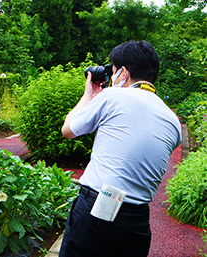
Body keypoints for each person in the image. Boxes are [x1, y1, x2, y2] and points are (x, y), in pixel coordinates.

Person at [59, 40, 181, 257]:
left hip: (95, 211)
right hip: (138, 221)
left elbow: (68, 130)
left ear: (123, 72)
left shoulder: (112, 96)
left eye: (113, 70)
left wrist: (89, 95)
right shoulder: (173, 121)